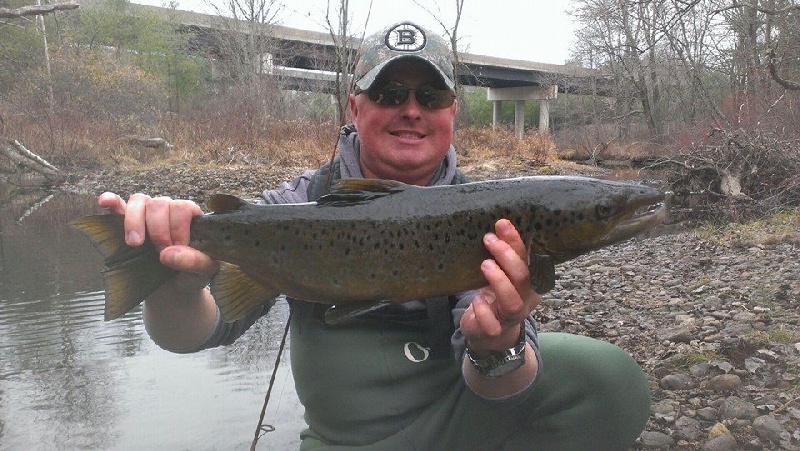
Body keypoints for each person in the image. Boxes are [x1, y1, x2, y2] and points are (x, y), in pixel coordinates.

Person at [99, 21, 651, 450]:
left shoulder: (489, 217)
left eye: (430, 98)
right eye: (389, 93)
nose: (411, 110)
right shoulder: (293, 208)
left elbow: (499, 384)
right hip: (345, 442)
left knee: (609, 380)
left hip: (456, 425)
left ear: (452, 114)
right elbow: (198, 334)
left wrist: (498, 345)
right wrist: (173, 278)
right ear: (355, 107)